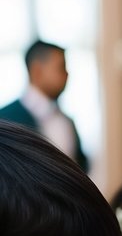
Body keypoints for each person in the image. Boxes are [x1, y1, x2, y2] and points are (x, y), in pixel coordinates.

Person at [0, 40, 89, 171]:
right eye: (61, 67)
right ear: (37, 71)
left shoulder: (66, 121)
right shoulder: (4, 119)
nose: (67, 74)